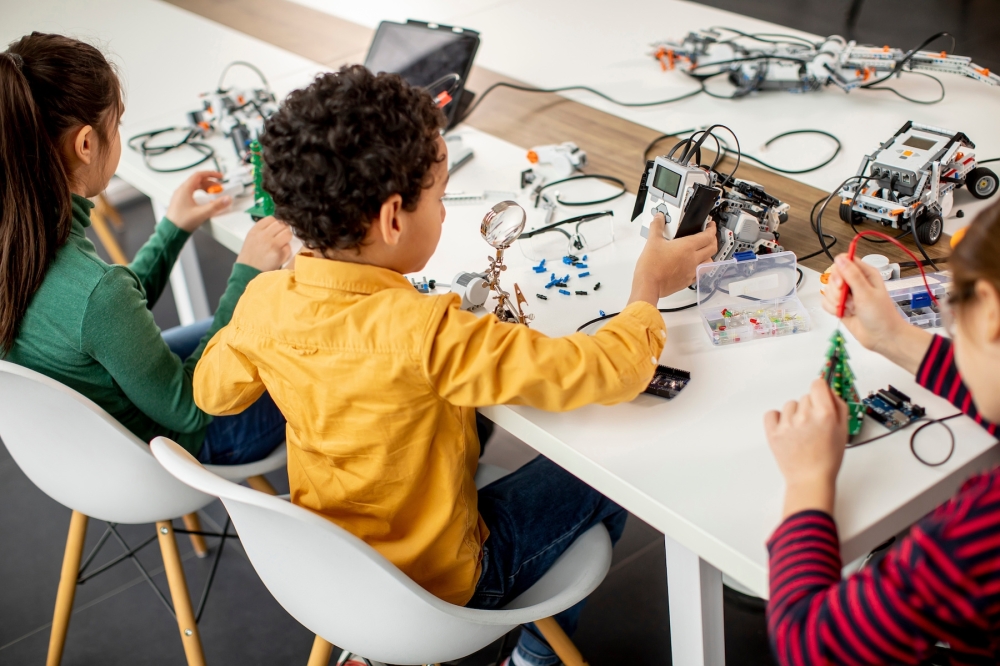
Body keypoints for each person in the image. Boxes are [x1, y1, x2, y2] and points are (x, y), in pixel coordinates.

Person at [192, 64, 717, 666]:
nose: (444, 212)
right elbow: (604, 372)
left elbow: (213, 394)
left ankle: (374, 652)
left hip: (332, 576)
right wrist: (647, 289)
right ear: (393, 218)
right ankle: (534, 656)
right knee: (607, 473)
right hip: (446, 592)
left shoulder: (264, 302)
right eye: (439, 198)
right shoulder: (428, 331)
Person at [0, 33, 292, 465]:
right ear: (85, 144)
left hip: (79, 452)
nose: (117, 135)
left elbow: (106, 318)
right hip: (181, 442)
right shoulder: (95, 294)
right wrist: (247, 273)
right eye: (115, 125)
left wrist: (172, 229)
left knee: (241, 327)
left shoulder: (19, 242)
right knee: (311, 347)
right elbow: (194, 408)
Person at [764, 200, 1000, 665]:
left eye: (954, 312)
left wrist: (807, 481)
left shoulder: (978, 533)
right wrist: (891, 336)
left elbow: (807, 645)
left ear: (990, 312)